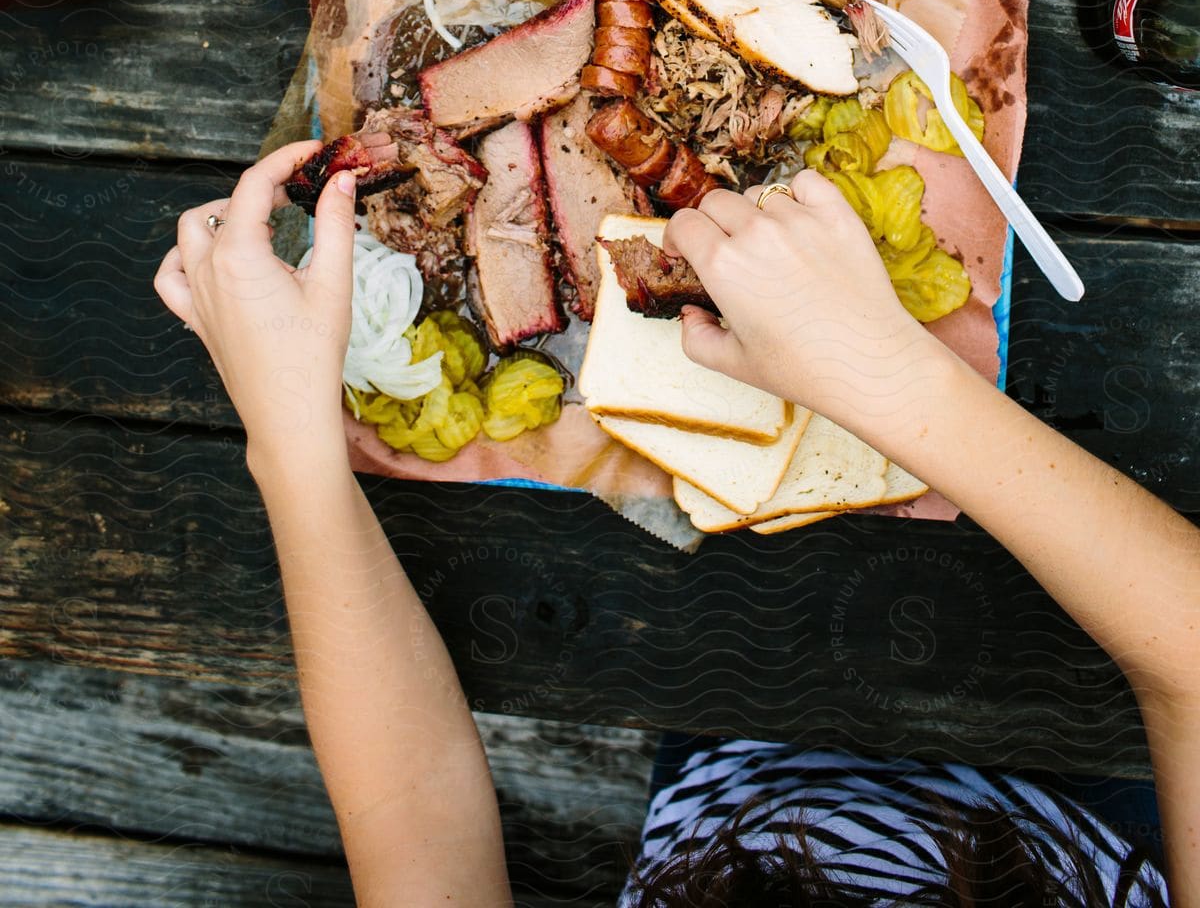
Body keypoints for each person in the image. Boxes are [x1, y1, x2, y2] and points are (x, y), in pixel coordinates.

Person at [156, 142, 1199, 906]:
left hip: (720, 791)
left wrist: (290, 443)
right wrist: (890, 375)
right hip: (1094, 823)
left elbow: (420, 831)